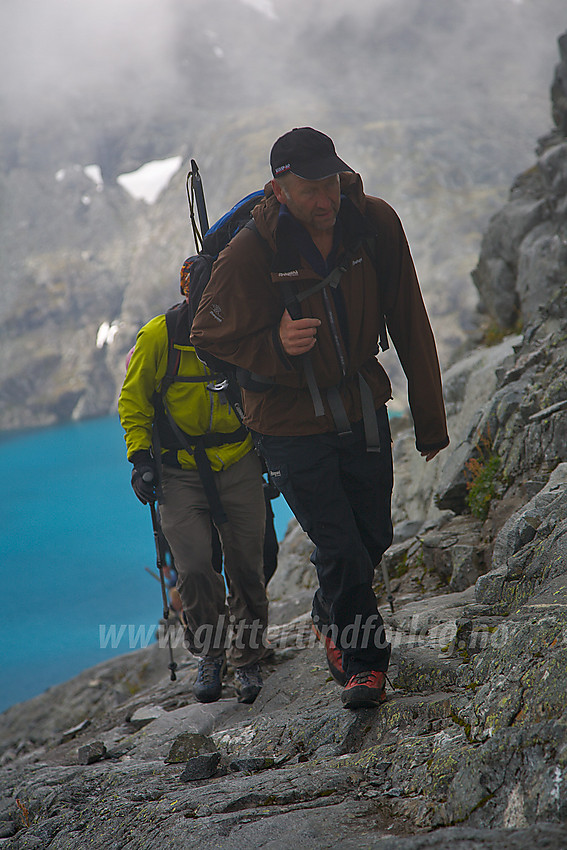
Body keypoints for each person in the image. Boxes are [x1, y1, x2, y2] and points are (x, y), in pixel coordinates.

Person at [190, 127, 449, 709]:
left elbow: (409, 314)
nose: (325, 198)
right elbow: (205, 331)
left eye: (331, 181)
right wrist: (275, 346)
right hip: (284, 423)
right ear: (281, 188)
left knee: (373, 534)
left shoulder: (373, 223)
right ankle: (364, 662)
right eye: (310, 187)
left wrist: (431, 419)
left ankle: (329, 610)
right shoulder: (253, 250)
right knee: (341, 544)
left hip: (359, 405)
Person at [118, 264, 270, 705]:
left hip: (239, 460)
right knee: (195, 568)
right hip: (180, 471)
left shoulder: (241, 325)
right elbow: (133, 400)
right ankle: (210, 654)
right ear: (187, 298)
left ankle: (247, 659)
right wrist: (141, 458)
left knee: (246, 566)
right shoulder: (158, 338)